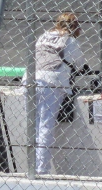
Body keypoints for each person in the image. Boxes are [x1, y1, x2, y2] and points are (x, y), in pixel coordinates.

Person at [29, 12, 88, 175]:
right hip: (52, 81)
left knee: (34, 124)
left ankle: (31, 165)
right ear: (74, 26)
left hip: (33, 78)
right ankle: (41, 169)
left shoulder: (44, 36)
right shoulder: (69, 40)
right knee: (46, 125)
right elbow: (80, 62)